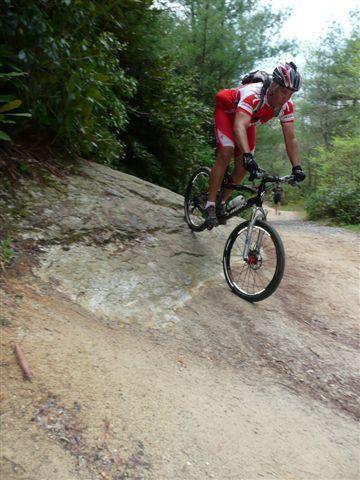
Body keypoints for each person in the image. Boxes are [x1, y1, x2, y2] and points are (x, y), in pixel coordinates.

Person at [204, 61, 306, 226]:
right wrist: (246, 155)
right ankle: (209, 204)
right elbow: (238, 126)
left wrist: (297, 167)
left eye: (291, 93)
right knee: (226, 151)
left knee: (243, 168)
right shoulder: (254, 94)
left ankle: (221, 201)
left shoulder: (286, 106)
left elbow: (291, 138)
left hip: (247, 121)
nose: (286, 97)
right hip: (227, 112)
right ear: (274, 85)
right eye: (283, 91)